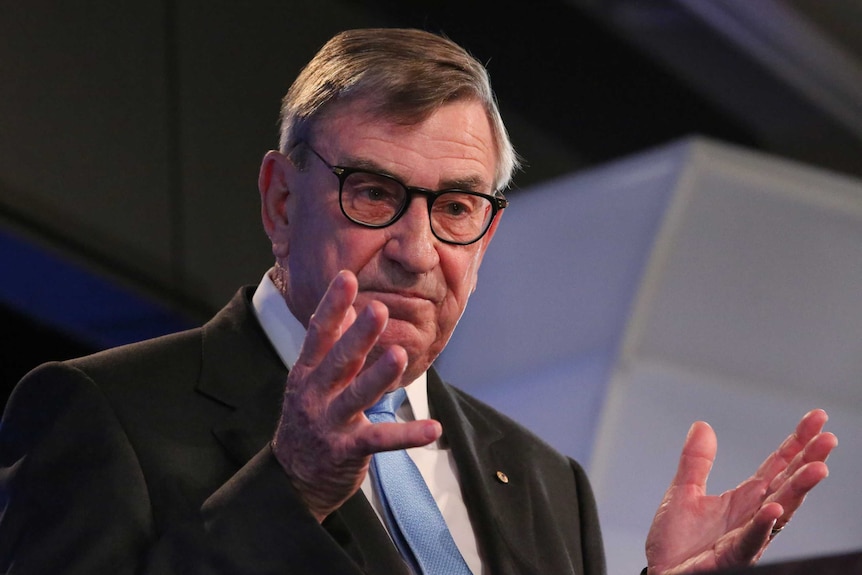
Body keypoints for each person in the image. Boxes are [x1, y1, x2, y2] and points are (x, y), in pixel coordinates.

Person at [0, 28, 837, 575]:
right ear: (281, 202)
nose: (416, 248)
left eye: (458, 206)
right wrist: (293, 484)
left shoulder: (548, 484)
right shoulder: (102, 414)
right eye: (371, 192)